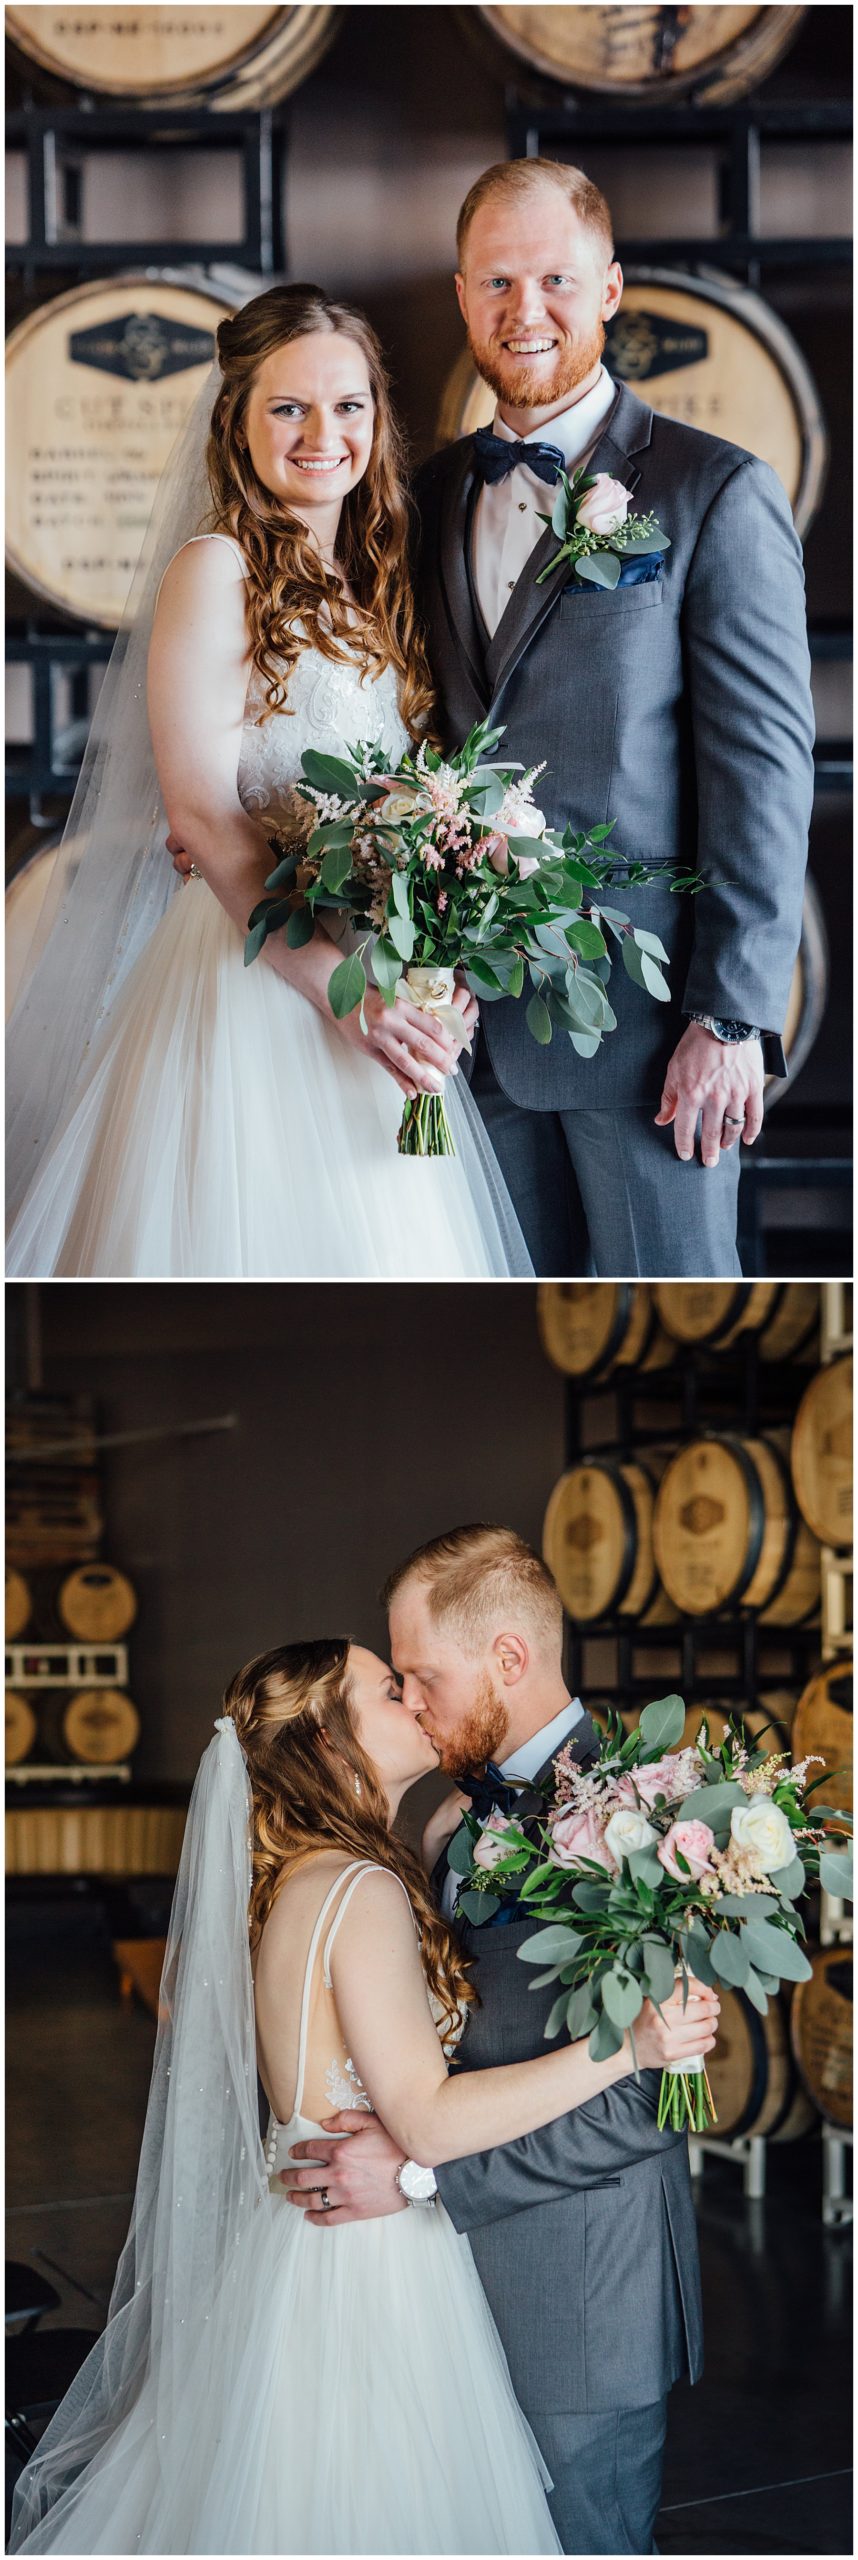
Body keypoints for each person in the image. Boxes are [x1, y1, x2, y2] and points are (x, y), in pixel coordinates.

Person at [9, 1638, 718, 2556]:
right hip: (373, 2266)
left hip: (301, 2246)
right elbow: (424, 2119)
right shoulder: (361, 1889)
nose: (416, 1699)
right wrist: (629, 2051)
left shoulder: (310, 1880)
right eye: (389, 1689)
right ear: (329, 1744)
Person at [6, 285, 530, 1280]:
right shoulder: (215, 569)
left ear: (378, 418)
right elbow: (203, 811)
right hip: (259, 991)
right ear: (237, 422)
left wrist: (436, 959)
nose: (322, 433)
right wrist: (349, 1000)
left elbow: (413, 801)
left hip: (372, 986)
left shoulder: (370, 583)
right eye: (288, 407)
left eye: (349, 405)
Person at [412, 157, 815, 1276]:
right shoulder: (432, 496)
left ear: (610, 287)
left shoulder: (714, 491)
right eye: (496, 282)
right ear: (461, 296)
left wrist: (730, 1019)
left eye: (553, 278)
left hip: (650, 1046)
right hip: (467, 1041)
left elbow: (765, 774)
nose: (523, 310)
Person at [283, 1529, 709, 2556]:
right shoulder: (443, 1823)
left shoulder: (652, 1820)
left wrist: (424, 2177)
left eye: (424, 1676)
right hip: (443, 2291)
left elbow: (648, 2098)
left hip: (579, 2298)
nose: (414, 1702)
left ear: (509, 1659)